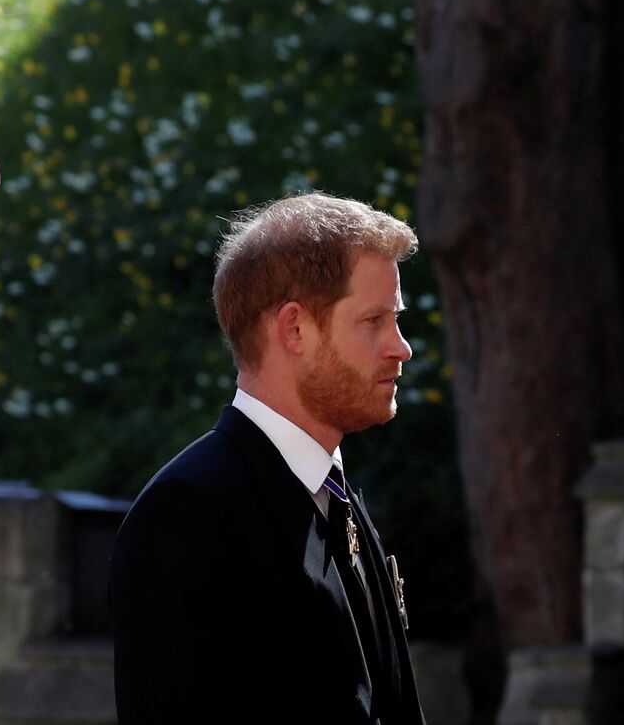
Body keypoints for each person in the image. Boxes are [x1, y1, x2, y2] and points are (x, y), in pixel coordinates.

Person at [111, 193, 425, 723]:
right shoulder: (188, 514)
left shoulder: (335, 494)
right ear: (294, 329)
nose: (401, 347)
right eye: (374, 320)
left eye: (395, 320)